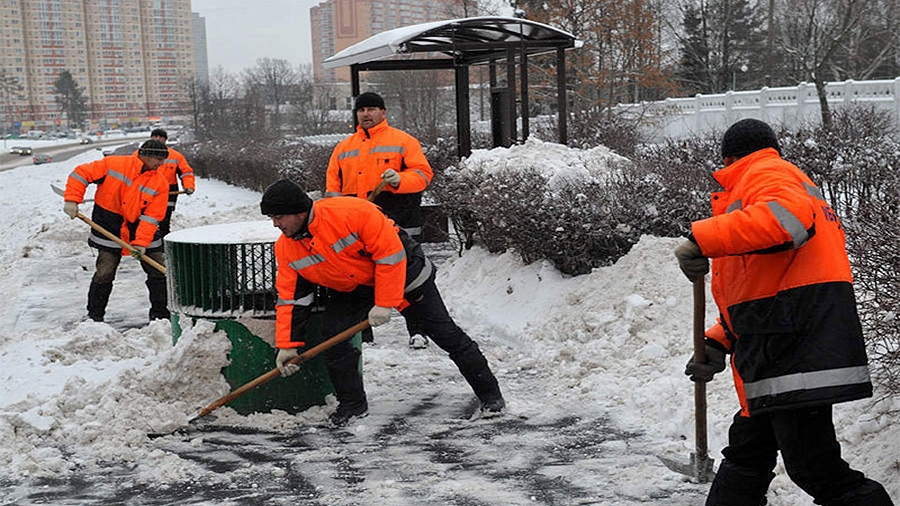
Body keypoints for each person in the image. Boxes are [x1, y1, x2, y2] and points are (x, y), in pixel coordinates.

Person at [674, 118, 894, 506]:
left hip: (794, 351)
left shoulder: (766, 172)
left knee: (815, 468)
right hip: (780, 343)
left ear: (730, 156)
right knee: (748, 454)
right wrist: (719, 341)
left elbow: (787, 223)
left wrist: (704, 238)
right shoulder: (772, 180)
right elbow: (763, 284)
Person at [260, 178, 505, 427]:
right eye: (272, 218)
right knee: (334, 339)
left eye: (279, 216)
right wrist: (288, 345)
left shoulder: (353, 213)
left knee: (445, 333)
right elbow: (292, 297)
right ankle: (353, 406)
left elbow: (390, 255)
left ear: (299, 211)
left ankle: (490, 396)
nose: (275, 224)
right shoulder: (287, 248)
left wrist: (385, 302)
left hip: (406, 274)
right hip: (353, 288)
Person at [325, 92, 434, 348]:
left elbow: (423, 174)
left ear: (383, 112)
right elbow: (332, 188)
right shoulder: (343, 148)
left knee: (410, 279)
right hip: (359, 226)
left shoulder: (403, 141)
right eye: (361, 110)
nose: (366, 114)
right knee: (362, 277)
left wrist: (399, 180)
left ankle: (418, 330)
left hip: (400, 220)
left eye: (372, 109)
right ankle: (363, 332)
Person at [63, 139, 172, 322]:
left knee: (158, 271)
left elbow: (152, 217)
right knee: (105, 271)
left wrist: (141, 243)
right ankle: (94, 316)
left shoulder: (159, 183)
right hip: (108, 226)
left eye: (163, 160)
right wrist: (72, 199)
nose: (161, 164)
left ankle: (161, 316)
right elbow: (81, 173)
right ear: (145, 155)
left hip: (142, 230)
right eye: (157, 159)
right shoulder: (114, 164)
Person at [149, 128, 195, 238]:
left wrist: (189, 186)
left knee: (164, 220)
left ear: (165, 140)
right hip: (148, 191)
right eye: (155, 137)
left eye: (161, 137)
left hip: (169, 192)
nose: (158, 139)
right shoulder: (141, 154)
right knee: (148, 220)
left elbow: (186, 172)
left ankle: (163, 244)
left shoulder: (175, 156)